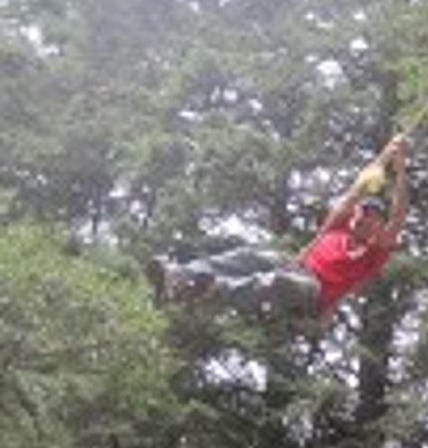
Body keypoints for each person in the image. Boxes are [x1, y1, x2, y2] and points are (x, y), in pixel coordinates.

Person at [147, 134, 409, 320]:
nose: (363, 218)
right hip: (294, 263)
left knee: (276, 282)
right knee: (248, 257)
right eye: (363, 213)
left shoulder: (372, 255)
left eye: (372, 217)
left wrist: (400, 170)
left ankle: (214, 288)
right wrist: (384, 156)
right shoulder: (337, 227)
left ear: (378, 227)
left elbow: (398, 217)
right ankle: (179, 275)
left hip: (313, 292)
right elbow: (357, 189)